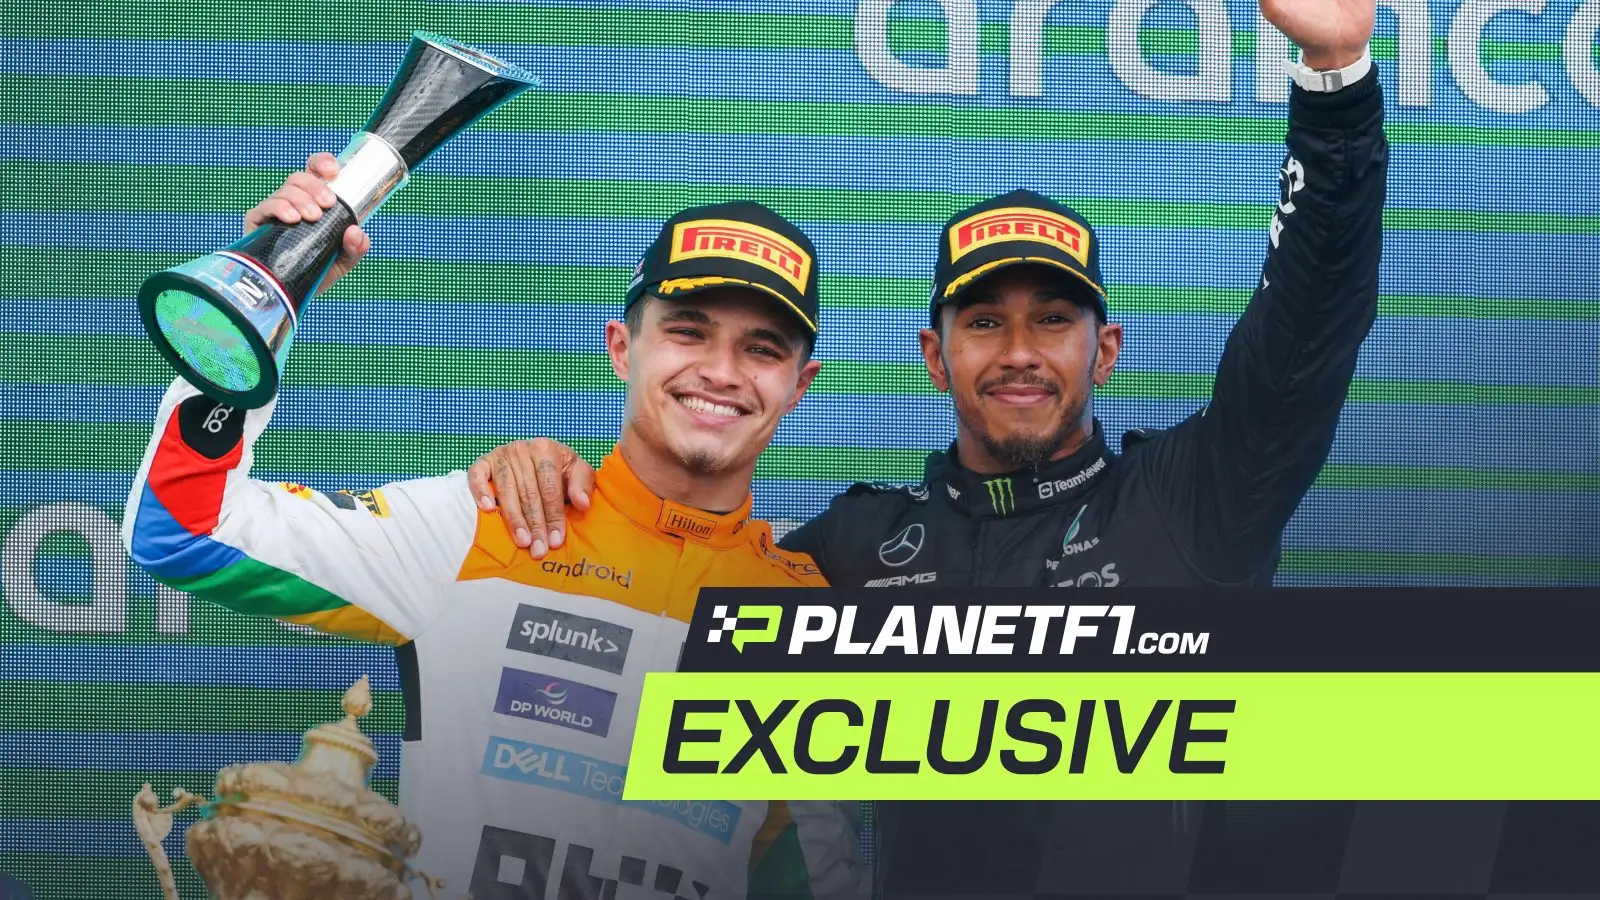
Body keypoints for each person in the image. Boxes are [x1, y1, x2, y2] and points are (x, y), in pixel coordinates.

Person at [464, 0, 1388, 891]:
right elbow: (668, 573)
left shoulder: (1191, 503)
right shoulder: (852, 551)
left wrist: (1336, 88)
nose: (1018, 351)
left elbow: (1307, 328)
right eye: (983, 321)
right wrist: (555, 479)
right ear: (935, 358)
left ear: (1104, 351)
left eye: (1053, 319)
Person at [121, 152, 874, 900]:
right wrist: (259, 306)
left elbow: (813, 875)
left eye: (762, 349)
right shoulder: (483, 523)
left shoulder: (806, 617)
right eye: (688, 332)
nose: (721, 371)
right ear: (622, 348)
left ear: (799, 386)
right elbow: (181, 530)